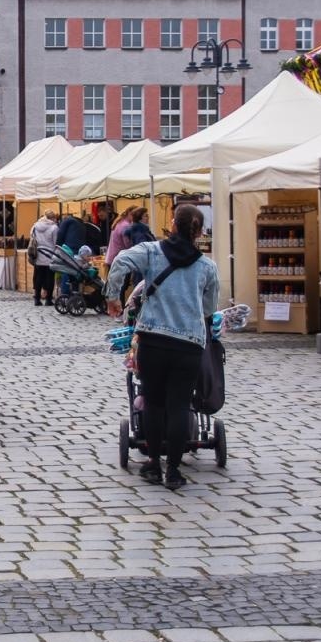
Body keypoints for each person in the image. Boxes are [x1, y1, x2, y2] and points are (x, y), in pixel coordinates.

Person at [106, 204, 220, 491]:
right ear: (199, 231)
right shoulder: (207, 266)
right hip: (189, 344)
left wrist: (114, 297)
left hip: (153, 340)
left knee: (154, 403)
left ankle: (154, 464)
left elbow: (120, 261)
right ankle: (174, 470)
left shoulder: (151, 251)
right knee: (180, 405)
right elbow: (209, 307)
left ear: (172, 224)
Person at [30, 210, 59, 306]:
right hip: (49, 255)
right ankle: (48, 299)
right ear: (53, 218)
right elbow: (56, 243)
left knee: (38, 277)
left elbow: (32, 237)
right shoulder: (54, 228)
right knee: (50, 278)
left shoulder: (35, 226)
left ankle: (37, 299)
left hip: (38, 254)